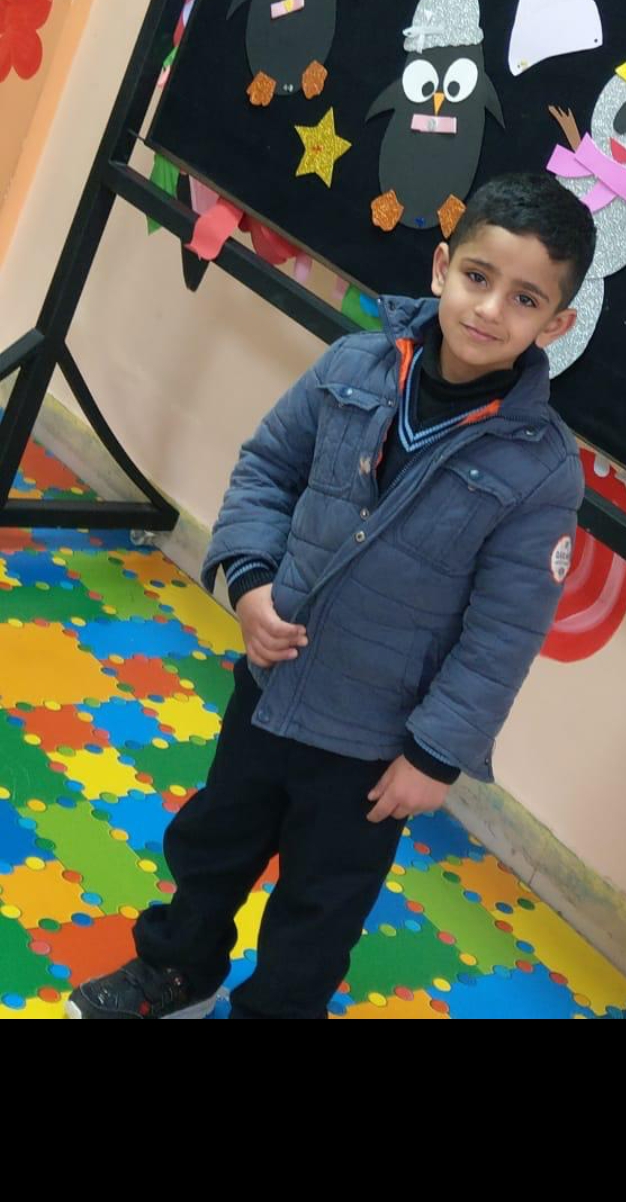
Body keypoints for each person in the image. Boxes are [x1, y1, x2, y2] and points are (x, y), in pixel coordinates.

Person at [67, 171, 596, 1019]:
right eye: (478, 276)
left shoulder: (541, 472)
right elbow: (266, 470)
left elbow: (503, 635)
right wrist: (249, 581)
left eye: (525, 299)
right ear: (442, 268)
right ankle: (177, 973)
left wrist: (434, 756)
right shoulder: (354, 365)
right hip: (271, 688)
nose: (491, 309)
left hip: (371, 746)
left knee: (320, 911)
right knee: (211, 845)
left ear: (556, 324)